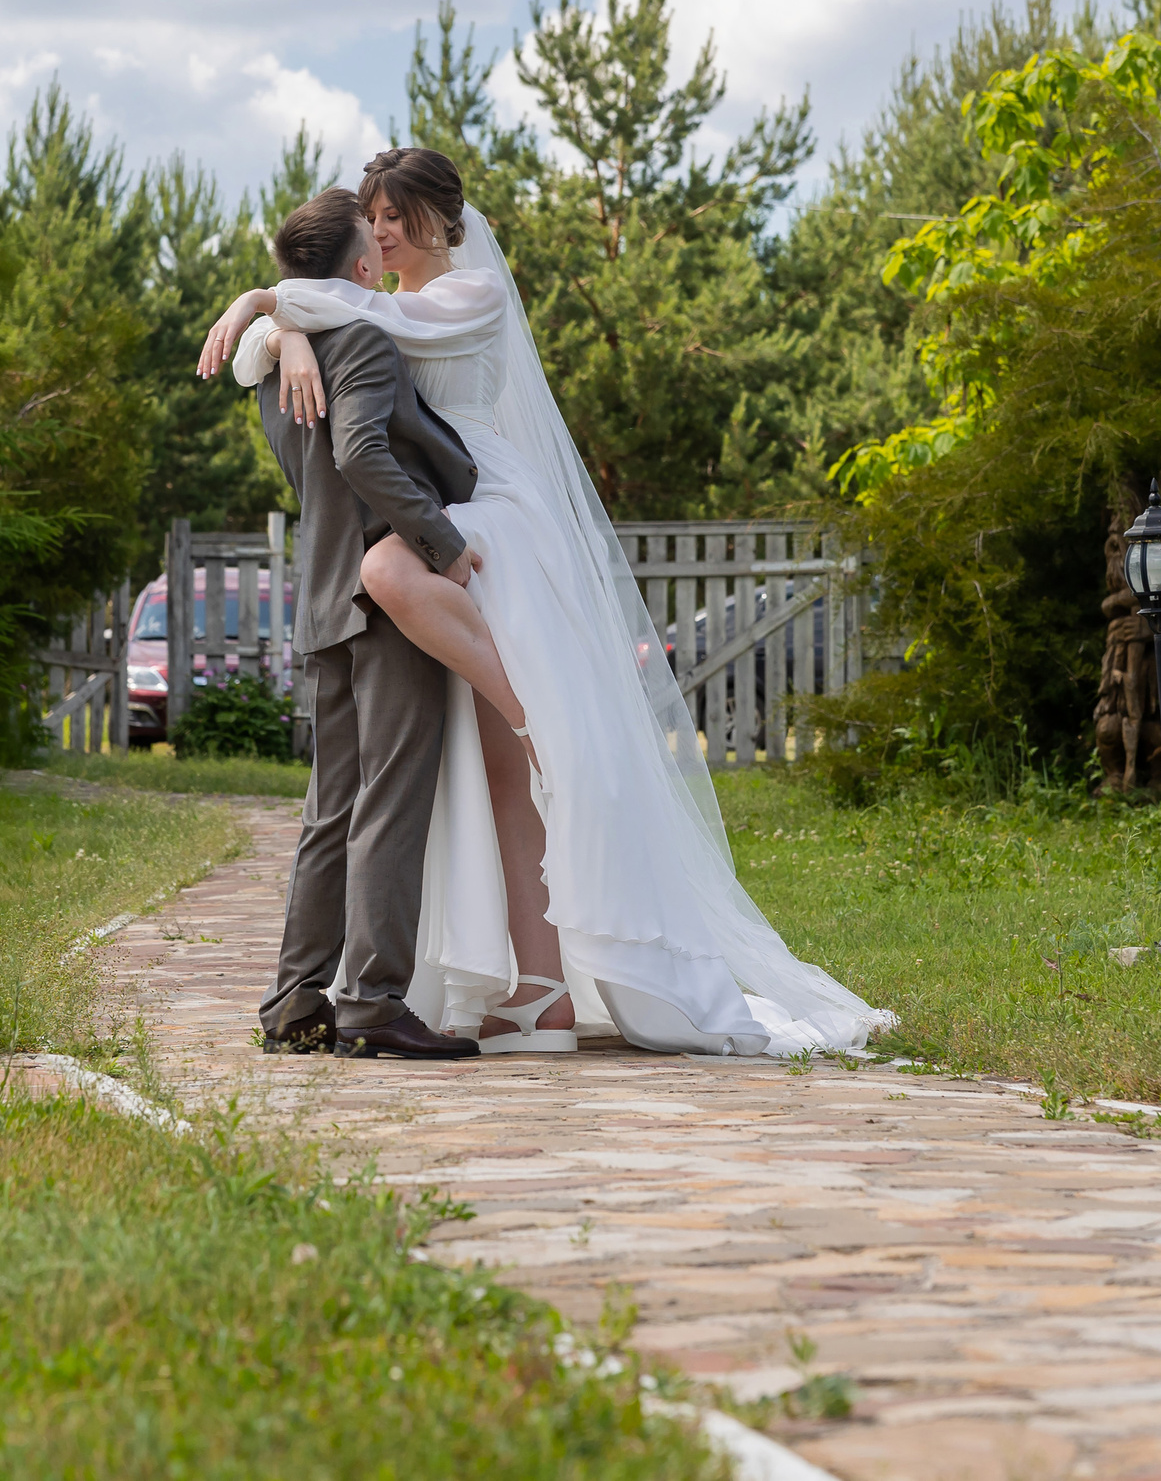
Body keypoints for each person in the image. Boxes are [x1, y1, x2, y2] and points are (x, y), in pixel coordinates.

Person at [202, 150, 888, 1057]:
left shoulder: (469, 292)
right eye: (376, 217)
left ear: (444, 219)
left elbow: (361, 316)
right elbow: (324, 326)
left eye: (399, 214)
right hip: (434, 519)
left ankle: (536, 735)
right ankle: (537, 989)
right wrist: (282, 325)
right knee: (479, 778)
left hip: (483, 507)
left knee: (477, 748)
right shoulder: (360, 311)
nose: (386, 231)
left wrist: (268, 304)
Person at [245, 188, 484, 1062]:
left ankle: (294, 1000)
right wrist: (442, 544)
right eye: (370, 245)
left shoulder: (275, 364)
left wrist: (280, 321)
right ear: (356, 267)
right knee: (391, 795)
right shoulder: (367, 342)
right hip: (384, 599)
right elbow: (360, 452)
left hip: (321, 595)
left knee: (330, 807)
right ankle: (373, 1001)